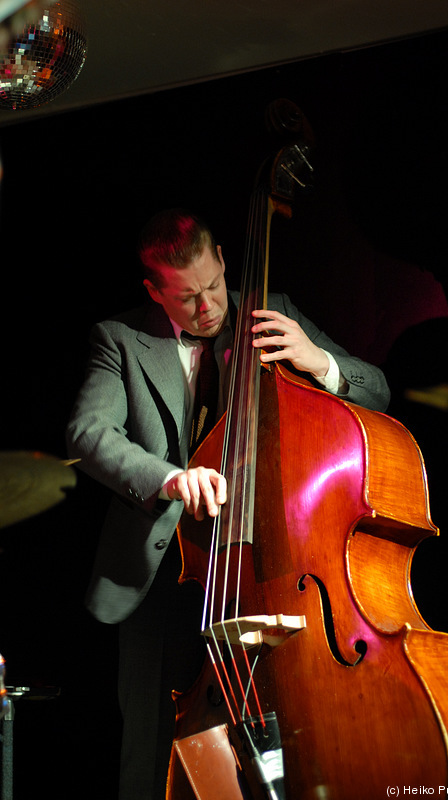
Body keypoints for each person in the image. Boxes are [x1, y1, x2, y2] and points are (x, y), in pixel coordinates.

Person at [66, 207, 390, 800]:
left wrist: (320, 363)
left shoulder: (276, 312)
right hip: (164, 578)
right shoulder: (119, 339)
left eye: (213, 286)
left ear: (222, 261)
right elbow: (88, 435)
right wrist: (171, 479)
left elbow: (378, 390)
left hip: (275, 566)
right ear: (154, 291)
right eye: (186, 298)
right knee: (152, 759)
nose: (208, 308)